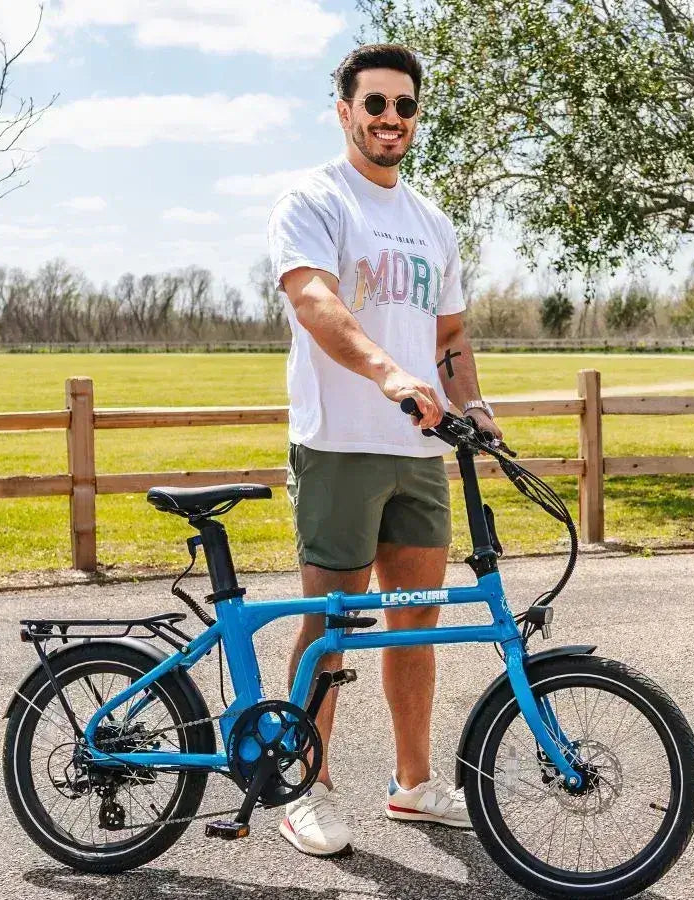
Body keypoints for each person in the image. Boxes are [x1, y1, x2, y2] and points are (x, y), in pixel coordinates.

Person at [264, 43, 503, 858]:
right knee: (329, 621)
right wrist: (387, 371)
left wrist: (471, 403)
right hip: (339, 446)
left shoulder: (432, 221)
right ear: (345, 112)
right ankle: (306, 787)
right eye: (375, 105)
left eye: (404, 106)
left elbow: (453, 335)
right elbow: (315, 302)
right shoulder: (316, 200)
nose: (390, 119)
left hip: (419, 454)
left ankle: (412, 784)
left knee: (416, 624)